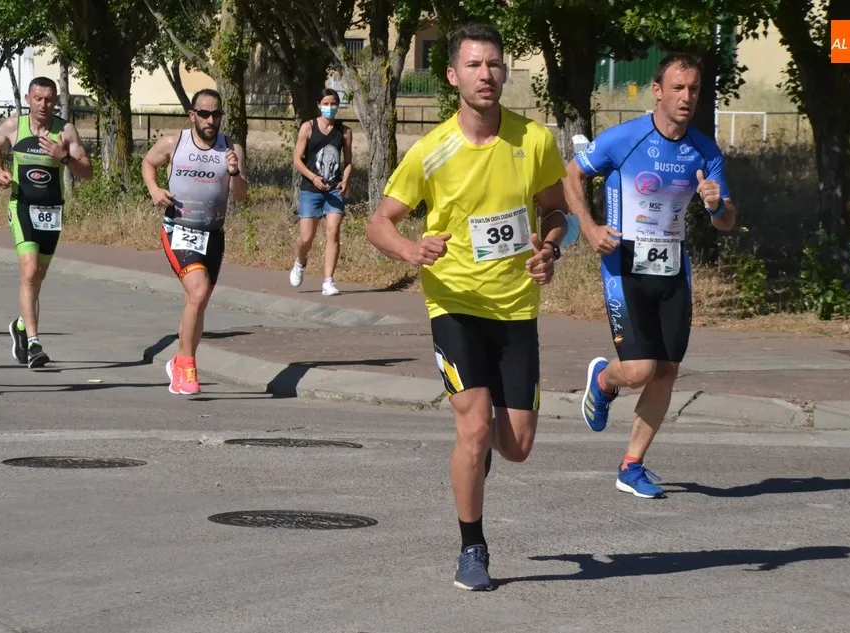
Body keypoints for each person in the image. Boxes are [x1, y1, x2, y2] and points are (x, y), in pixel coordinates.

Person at [366, 22, 568, 591]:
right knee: (475, 428)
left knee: (517, 446)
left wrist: (551, 249)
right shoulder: (432, 151)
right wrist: (412, 250)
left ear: (505, 73)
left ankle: (479, 458)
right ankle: (472, 547)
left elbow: (557, 212)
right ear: (453, 76)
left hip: (516, 308)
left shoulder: (534, 141)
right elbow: (379, 223)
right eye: (474, 65)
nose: (486, 75)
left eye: (494, 64)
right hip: (454, 304)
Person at [564, 52, 737, 499]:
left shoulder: (705, 150)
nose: (686, 97)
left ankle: (631, 466)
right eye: (678, 88)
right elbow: (572, 174)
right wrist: (589, 228)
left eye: (694, 89)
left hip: (672, 266)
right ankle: (604, 380)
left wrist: (716, 205)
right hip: (624, 263)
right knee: (641, 369)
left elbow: (726, 221)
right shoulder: (625, 138)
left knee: (667, 371)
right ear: (657, 91)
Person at [142, 88, 247, 395]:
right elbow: (148, 163)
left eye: (216, 114)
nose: (210, 120)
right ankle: (187, 366)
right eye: (204, 114)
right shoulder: (174, 143)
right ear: (192, 115)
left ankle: (177, 362)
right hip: (179, 230)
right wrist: (154, 190)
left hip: (213, 235)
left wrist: (234, 171)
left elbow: (241, 194)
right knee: (198, 292)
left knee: (198, 303)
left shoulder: (231, 148)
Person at [0, 76, 93, 369]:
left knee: (38, 276)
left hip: (52, 211)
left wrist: (64, 158)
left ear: (55, 101)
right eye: (38, 98)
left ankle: (21, 324)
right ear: (28, 99)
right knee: (29, 270)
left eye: (49, 99)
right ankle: (34, 343)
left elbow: (88, 173)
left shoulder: (65, 131)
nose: (43, 104)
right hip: (21, 206)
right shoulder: (14, 126)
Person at [289, 88, 352, 296]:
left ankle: (328, 280)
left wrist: (346, 179)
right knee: (307, 237)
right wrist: (313, 177)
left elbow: (348, 161)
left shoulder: (344, 132)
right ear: (319, 105)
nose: (330, 107)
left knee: (333, 231)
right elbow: (297, 160)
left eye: (333, 104)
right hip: (311, 190)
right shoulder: (308, 127)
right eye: (326, 104)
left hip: (334, 190)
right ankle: (300, 262)